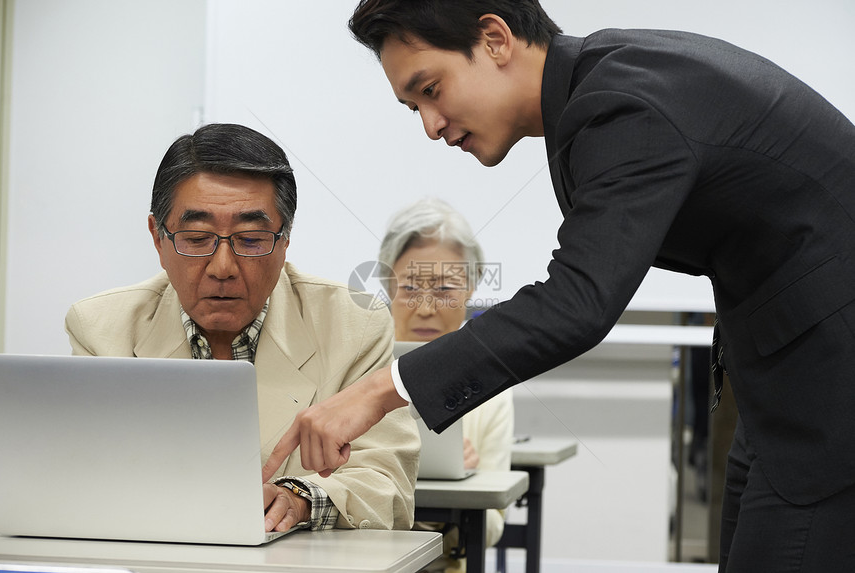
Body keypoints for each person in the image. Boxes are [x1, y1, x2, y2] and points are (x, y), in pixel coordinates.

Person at [263, 2, 855, 570]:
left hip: (827, 372)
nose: (430, 126)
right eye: (412, 106)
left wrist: (374, 393)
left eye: (432, 90)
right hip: (786, 372)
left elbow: (577, 301)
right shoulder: (604, 85)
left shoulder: (620, 104)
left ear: (495, 39)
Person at [65, 122, 419, 534]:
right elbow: (79, 477)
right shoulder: (101, 329)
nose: (222, 268)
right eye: (196, 238)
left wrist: (299, 500)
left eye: (251, 239)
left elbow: (387, 486)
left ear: (285, 240)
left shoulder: (353, 325)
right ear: (157, 239)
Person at [379, 197, 513, 572]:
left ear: (471, 289)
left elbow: (491, 529)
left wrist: (467, 486)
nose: (425, 308)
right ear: (388, 287)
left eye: (443, 289)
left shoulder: (494, 382)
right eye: (409, 288)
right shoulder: (355, 366)